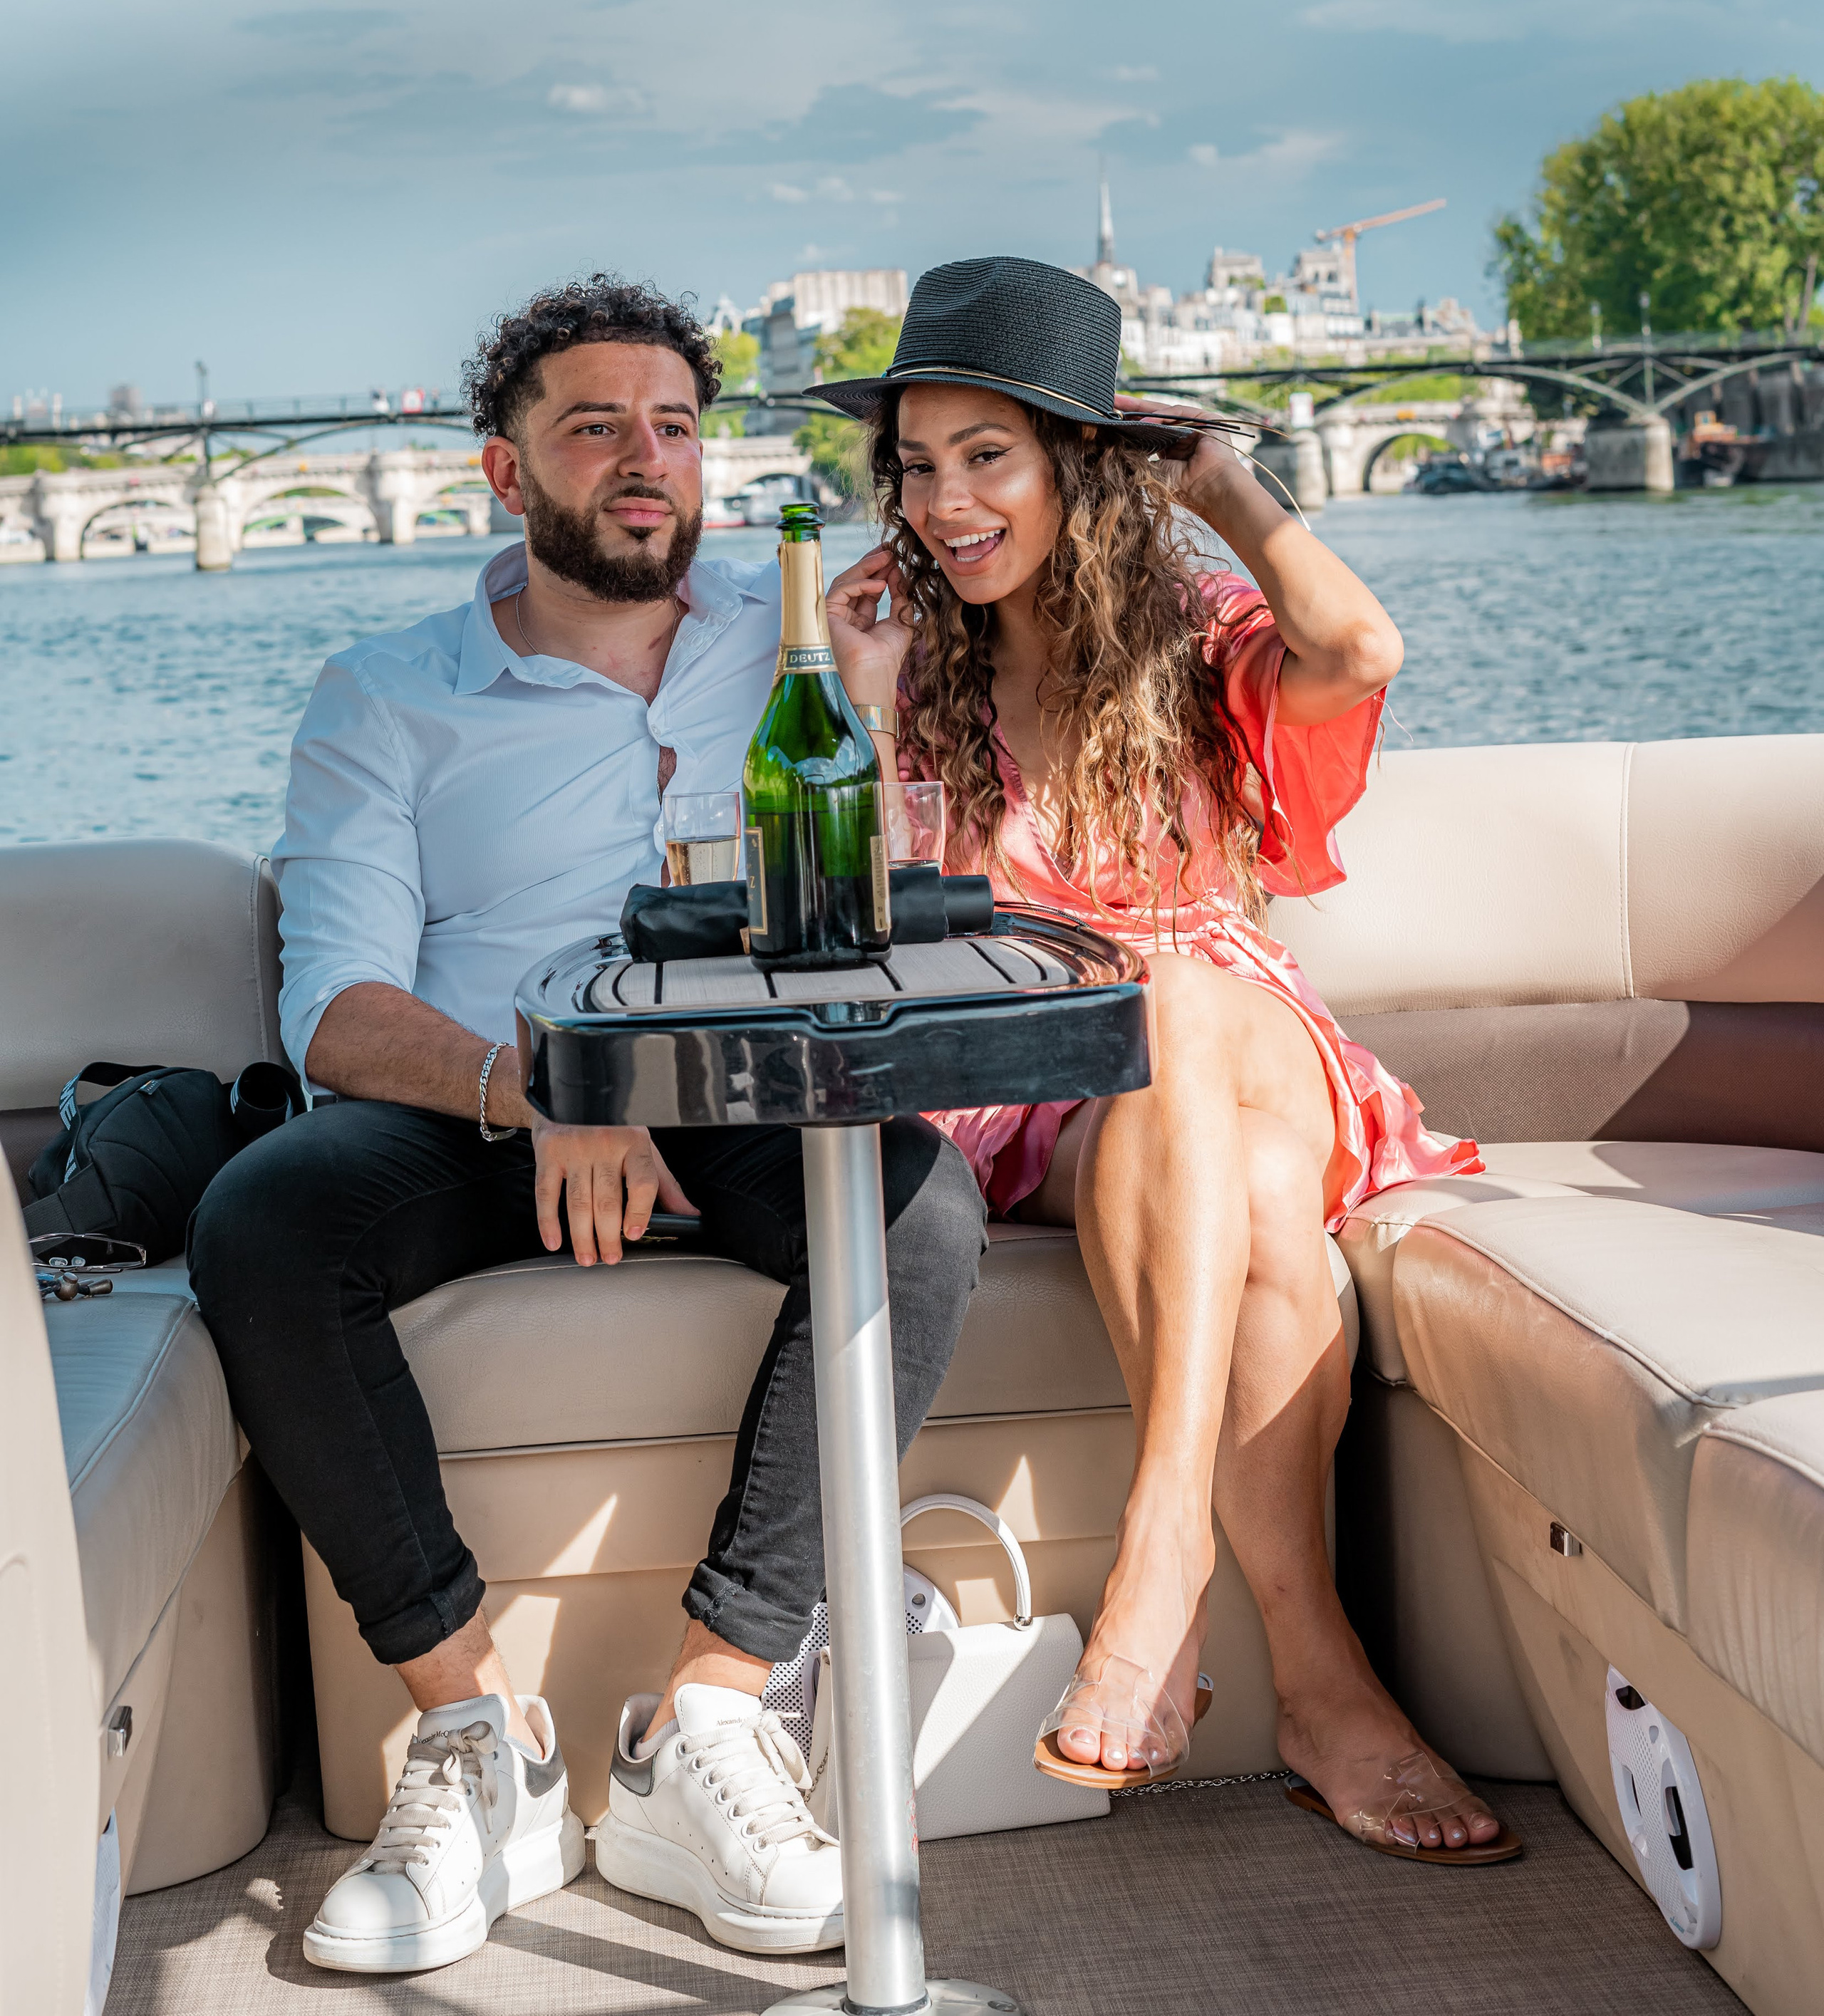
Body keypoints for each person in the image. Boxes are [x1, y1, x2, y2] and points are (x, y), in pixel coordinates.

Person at [189, 275, 987, 1977]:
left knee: (917, 1198)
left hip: (737, 1093)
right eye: (595, 426)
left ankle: (701, 1718)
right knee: (265, 1220)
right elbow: (329, 1003)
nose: (647, 460)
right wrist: (543, 1083)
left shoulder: (782, 653)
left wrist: (858, 690)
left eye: (677, 426)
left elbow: (865, 904)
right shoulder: (386, 694)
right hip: (485, 1100)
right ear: (503, 471)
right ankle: (477, 1741)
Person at [818, 255, 1519, 1864]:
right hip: (1050, 1096)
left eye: (985, 455)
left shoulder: (1193, 626)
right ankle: (1328, 1683)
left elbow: (1358, 648)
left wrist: (1228, 487)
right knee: (1266, 1206)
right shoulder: (914, 669)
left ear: (1079, 465)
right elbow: (870, 937)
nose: (941, 502)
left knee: (1172, 983)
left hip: (1239, 1032)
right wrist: (860, 715)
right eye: (917, 465)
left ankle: (1159, 1557)